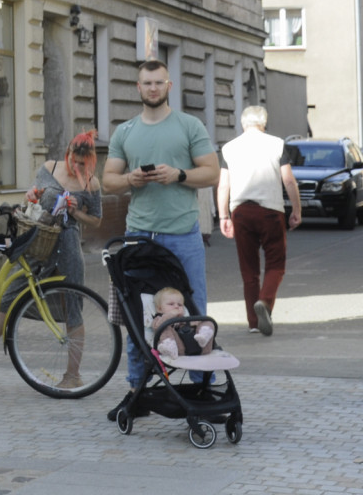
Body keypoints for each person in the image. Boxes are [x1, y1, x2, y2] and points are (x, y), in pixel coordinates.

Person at [103, 59, 219, 410]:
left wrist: (179, 175)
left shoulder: (188, 125)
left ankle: (202, 386)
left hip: (183, 235)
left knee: (195, 313)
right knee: (138, 317)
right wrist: (130, 180)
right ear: (137, 88)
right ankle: (137, 391)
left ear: (169, 86)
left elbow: (212, 173)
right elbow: (107, 181)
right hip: (140, 236)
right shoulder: (125, 132)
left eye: (158, 83)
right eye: (146, 83)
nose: (152, 88)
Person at [0, 130, 102, 386]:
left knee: (72, 307)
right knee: (9, 298)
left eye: (82, 163)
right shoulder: (49, 167)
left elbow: (96, 221)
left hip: (68, 249)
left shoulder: (91, 183)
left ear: (90, 161)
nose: (76, 166)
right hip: (38, 245)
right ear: (68, 153)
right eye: (73, 160)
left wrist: (76, 213)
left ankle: (73, 375)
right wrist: (30, 195)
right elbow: (32, 198)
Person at [216, 105, 301, 336]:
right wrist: (296, 209)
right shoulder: (277, 144)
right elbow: (289, 181)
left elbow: (224, 184)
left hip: (241, 211)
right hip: (270, 211)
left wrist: (223, 215)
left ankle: (253, 323)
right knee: (276, 264)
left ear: (243, 124)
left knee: (249, 269)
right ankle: (264, 301)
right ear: (264, 122)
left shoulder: (229, 148)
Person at [150, 287, 214, 359]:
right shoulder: (159, 318)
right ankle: (169, 345)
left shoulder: (185, 319)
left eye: (180, 305)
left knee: (207, 321)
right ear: (159, 309)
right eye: (171, 304)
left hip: (200, 346)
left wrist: (198, 324)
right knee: (163, 328)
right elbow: (157, 326)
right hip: (178, 350)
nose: (176, 306)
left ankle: (204, 334)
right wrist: (171, 315)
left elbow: (196, 323)